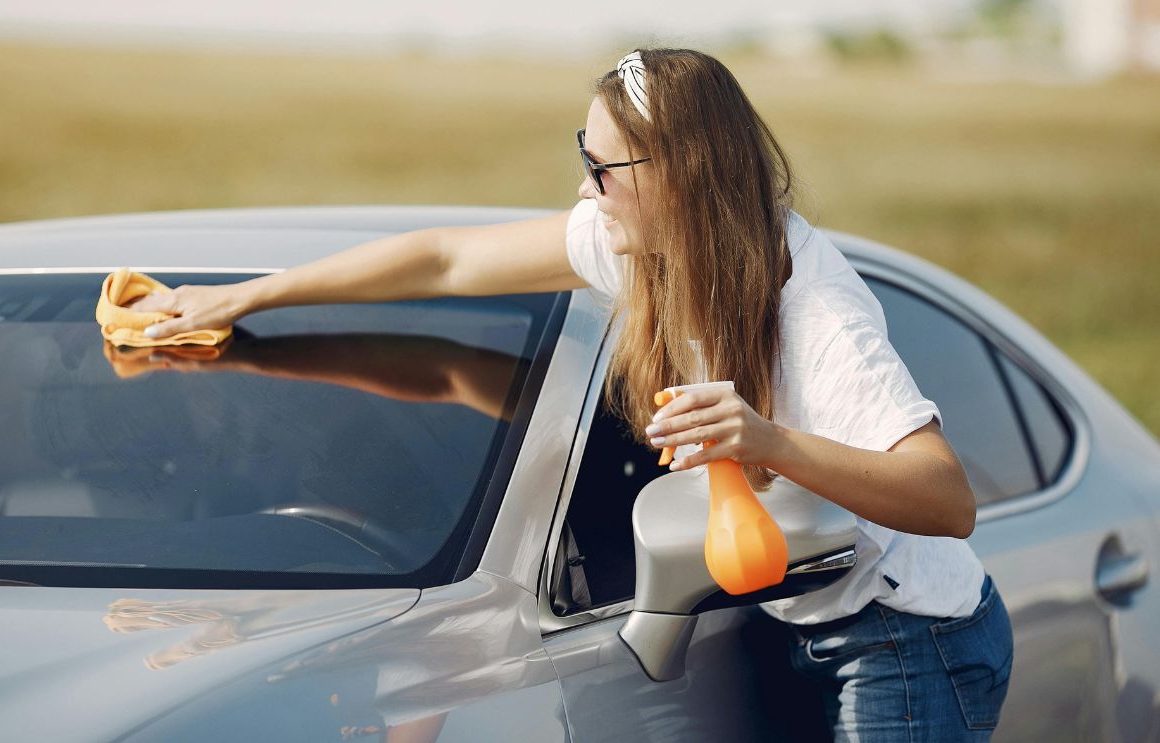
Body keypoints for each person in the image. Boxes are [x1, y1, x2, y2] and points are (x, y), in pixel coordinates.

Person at [130, 47, 1014, 741]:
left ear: (680, 174)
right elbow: (444, 258)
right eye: (582, 157)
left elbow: (946, 497)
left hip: (906, 638)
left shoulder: (815, 312)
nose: (585, 189)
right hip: (792, 620)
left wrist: (764, 441)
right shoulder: (639, 242)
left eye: (604, 169)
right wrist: (245, 297)